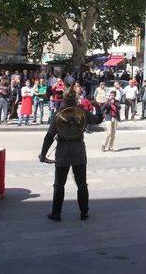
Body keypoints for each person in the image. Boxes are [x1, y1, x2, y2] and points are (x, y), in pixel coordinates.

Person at [39, 88, 103, 221]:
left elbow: (49, 136)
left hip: (62, 151)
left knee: (59, 184)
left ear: (64, 99)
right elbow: (98, 120)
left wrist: (43, 154)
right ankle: (84, 212)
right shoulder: (83, 113)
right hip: (79, 149)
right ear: (75, 100)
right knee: (82, 184)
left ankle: (56, 213)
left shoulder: (58, 114)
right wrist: (97, 105)